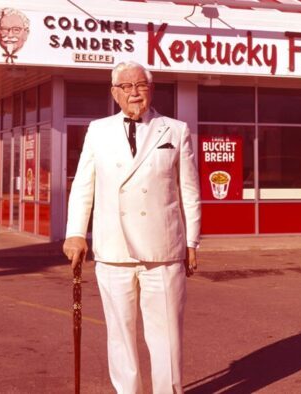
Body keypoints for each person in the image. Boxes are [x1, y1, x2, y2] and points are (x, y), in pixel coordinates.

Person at [63, 61, 201, 394]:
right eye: (125, 86)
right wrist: (75, 233)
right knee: (120, 335)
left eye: (140, 84)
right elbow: (84, 185)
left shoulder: (175, 130)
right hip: (113, 249)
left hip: (163, 249)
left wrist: (192, 242)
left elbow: (190, 190)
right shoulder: (98, 130)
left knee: (166, 336)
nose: (134, 91)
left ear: (151, 90)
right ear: (114, 93)